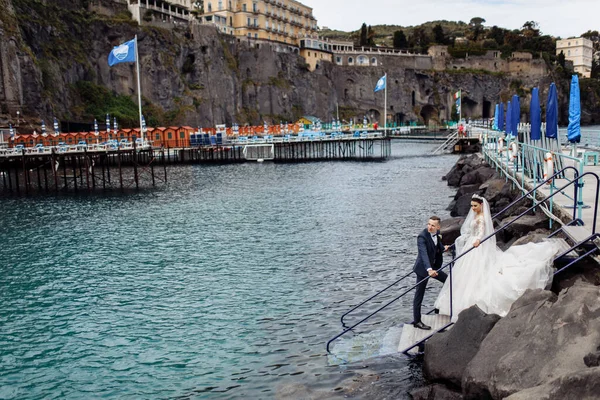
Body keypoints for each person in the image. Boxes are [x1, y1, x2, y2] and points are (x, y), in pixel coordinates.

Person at [434, 194, 560, 320]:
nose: (473, 208)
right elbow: (470, 231)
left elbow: (481, 232)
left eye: (475, 206)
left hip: (477, 246)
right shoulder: (476, 215)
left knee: (476, 271)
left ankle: (470, 302)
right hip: (471, 244)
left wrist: (477, 240)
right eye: (472, 206)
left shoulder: (482, 218)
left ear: (481, 205)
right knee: (467, 272)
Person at [412, 216, 450, 330]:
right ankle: (417, 321)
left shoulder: (437, 233)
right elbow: (423, 253)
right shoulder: (422, 237)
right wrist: (429, 270)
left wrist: (444, 248)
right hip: (423, 269)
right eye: (428, 224)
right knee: (419, 295)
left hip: (434, 267)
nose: (429, 227)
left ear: (438, 227)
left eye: (433, 225)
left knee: (448, 281)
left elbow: (437, 245)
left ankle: (440, 307)